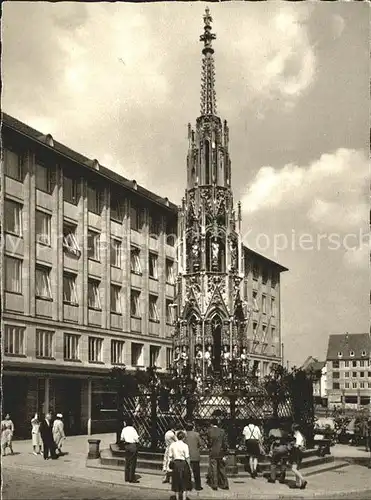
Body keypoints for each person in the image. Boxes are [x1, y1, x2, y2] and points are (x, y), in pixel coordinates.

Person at [168, 430, 193, 500]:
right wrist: (190, 467)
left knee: (176, 481)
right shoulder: (185, 445)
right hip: (183, 464)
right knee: (184, 482)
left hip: (175, 464)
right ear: (183, 438)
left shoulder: (172, 445)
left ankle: (177, 497)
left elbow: (170, 456)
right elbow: (187, 457)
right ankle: (184, 498)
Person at [207, 418, 229, 491]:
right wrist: (225, 452)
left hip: (213, 452)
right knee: (222, 468)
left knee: (214, 468)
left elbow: (209, 443)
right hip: (221, 452)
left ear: (212, 424)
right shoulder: (222, 431)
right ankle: (225, 484)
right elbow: (225, 443)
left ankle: (215, 484)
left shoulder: (209, 431)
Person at [120, 417, 139, 483]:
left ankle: (126, 477)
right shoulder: (133, 429)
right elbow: (137, 439)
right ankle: (132, 478)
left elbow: (121, 438)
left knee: (127, 462)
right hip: (132, 445)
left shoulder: (124, 429)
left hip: (126, 445)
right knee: (133, 462)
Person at [185, 422, 203, 491]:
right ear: (193, 427)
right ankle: (198, 486)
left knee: (187, 472)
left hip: (187, 455)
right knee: (196, 472)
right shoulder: (196, 434)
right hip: (195, 455)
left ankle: (188, 486)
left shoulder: (185, 435)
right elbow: (201, 444)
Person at [289, 423, 308, 489]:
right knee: (297, 469)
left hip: (297, 453)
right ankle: (297, 484)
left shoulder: (299, 435)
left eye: (292, 427)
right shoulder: (297, 434)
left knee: (293, 468)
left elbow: (297, 445)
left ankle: (303, 480)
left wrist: (291, 444)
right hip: (298, 453)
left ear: (294, 428)